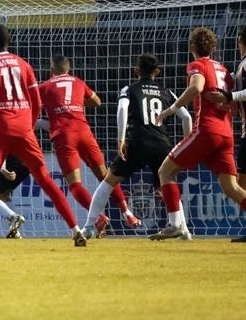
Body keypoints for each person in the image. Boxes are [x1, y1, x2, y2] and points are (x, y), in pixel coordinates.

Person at [0, 24, 86, 248]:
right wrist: (28, 122)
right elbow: (36, 101)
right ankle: (76, 230)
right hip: (24, 128)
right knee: (44, 179)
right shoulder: (24, 65)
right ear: (9, 40)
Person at [81, 53, 193, 240]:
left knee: (108, 183)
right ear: (157, 71)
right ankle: (184, 230)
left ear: (137, 71)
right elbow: (187, 117)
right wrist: (186, 142)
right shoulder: (167, 91)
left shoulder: (129, 89)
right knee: (168, 183)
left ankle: (88, 227)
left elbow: (122, 109)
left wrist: (121, 138)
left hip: (137, 142)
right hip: (161, 144)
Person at [151, 27, 246, 240]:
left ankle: (175, 225)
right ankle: (177, 226)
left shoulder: (197, 65)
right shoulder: (224, 70)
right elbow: (233, 105)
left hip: (207, 130)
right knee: (231, 187)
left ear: (192, 47)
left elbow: (196, 87)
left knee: (165, 171)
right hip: (227, 133)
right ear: (213, 47)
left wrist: (170, 110)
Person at [38, 55, 141, 237]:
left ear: (52, 71)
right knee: (106, 176)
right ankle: (128, 213)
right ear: (68, 69)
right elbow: (97, 101)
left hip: (64, 136)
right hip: (84, 132)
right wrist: (76, 105)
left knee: (75, 184)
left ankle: (100, 218)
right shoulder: (78, 81)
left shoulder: (44, 87)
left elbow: (33, 109)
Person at [204, 25, 246, 242]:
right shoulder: (239, 66)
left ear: (240, 40)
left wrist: (228, 97)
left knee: (240, 183)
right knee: (241, 182)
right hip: (243, 132)